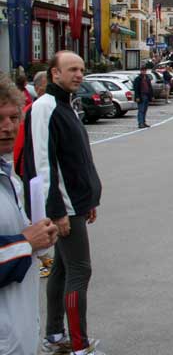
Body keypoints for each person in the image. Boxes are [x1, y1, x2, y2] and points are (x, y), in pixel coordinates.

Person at [21, 51, 105, 355]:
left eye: (81, 69)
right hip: (64, 208)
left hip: (75, 204)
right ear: (54, 73)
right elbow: (43, 163)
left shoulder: (66, 104)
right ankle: (79, 345)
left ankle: (55, 334)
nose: (79, 74)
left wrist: (88, 200)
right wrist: (57, 211)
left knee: (61, 268)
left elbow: (76, 158)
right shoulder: (45, 107)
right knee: (80, 270)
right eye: (72, 69)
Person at [1, 73, 60, 355]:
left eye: (13, 118)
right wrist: (26, 242)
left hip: (18, 330)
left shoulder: (8, 176)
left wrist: (39, 234)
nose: (8, 127)